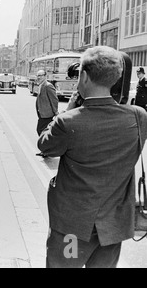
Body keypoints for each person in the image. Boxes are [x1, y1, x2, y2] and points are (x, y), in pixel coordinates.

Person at [38, 46, 147, 268]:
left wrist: (67, 110)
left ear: (84, 76)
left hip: (73, 229)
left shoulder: (68, 122)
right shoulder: (139, 117)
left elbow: (45, 146)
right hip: (113, 229)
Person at [35, 69, 58, 157]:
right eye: (38, 75)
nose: (39, 77)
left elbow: (54, 99)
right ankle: (45, 150)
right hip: (42, 113)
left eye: (41, 75)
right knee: (43, 131)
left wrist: (55, 111)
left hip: (47, 114)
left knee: (41, 130)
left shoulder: (48, 86)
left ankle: (47, 150)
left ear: (45, 76)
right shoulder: (41, 85)